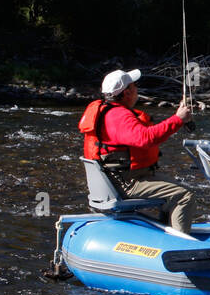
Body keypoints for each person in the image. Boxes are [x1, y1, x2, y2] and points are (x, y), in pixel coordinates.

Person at [77, 68, 196, 233]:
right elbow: (146, 139)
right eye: (134, 86)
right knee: (184, 194)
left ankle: (169, 231)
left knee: (177, 187)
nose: (137, 90)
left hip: (117, 179)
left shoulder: (108, 112)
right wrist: (178, 119)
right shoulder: (119, 116)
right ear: (127, 92)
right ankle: (181, 245)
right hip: (126, 183)